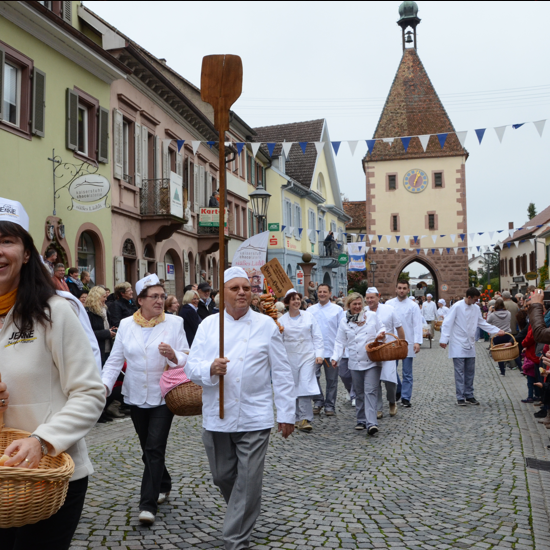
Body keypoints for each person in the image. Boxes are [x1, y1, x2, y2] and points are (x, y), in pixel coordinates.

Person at [0, 198, 105, 549]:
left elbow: (90, 393)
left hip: (49, 478)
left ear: (27, 253)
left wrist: (42, 439)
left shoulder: (54, 312)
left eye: (6, 241)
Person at [185, 267, 295, 550]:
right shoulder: (209, 325)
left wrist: (286, 414)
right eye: (235, 288)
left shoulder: (266, 325)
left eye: (246, 287)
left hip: (254, 415)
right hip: (217, 413)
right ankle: (243, 509)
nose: (242, 292)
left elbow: (281, 372)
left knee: (247, 480)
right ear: (223, 295)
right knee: (222, 476)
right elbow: (191, 366)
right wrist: (210, 368)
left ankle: (235, 539)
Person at [102, 274, 189, 525]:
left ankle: (147, 505)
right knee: (147, 448)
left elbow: (187, 356)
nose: (160, 301)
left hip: (164, 395)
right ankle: (164, 482)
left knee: (154, 447)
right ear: (140, 300)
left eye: (162, 296)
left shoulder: (175, 323)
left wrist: (174, 355)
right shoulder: (127, 325)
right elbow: (115, 360)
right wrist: (104, 387)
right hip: (136, 396)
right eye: (154, 296)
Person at [331, 293, 385, 435]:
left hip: (372, 360)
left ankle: (371, 423)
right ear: (348, 306)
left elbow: (382, 328)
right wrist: (335, 357)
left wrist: (380, 335)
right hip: (354, 361)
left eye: (359, 304)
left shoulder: (371, 316)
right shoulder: (344, 322)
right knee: (360, 393)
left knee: (370, 391)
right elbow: (340, 341)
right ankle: (361, 419)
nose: (357, 307)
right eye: (354, 304)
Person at [440, 287, 504, 406]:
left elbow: (482, 323)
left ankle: (469, 394)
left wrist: (496, 330)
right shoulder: (457, 306)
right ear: (469, 297)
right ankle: (460, 396)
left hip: (470, 342)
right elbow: (447, 322)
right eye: (475, 299)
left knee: (470, 371)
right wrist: (444, 339)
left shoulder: (475, 308)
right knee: (459, 372)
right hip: (458, 342)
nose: (476, 301)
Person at [279, 289, 324, 433]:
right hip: (289, 356)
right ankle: (296, 416)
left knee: (305, 383)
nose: (296, 302)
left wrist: (319, 354)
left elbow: (317, 336)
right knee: (293, 386)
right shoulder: (281, 320)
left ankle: (305, 418)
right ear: (287, 302)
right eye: (293, 299)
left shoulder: (308, 316)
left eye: (298, 299)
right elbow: (278, 341)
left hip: (307, 355)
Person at [365, 287, 405, 419]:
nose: (370, 300)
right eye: (368, 297)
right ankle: (378, 408)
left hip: (388, 351)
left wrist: (402, 344)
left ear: (378, 297)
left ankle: (392, 401)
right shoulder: (363, 311)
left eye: (372, 297)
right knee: (374, 381)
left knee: (390, 380)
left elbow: (399, 327)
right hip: (372, 351)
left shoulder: (389, 309)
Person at [309, 283, 345, 416]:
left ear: (330, 293)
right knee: (313, 377)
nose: (322, 294)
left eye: (325, 292)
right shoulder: (311, 310)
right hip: (315, 352)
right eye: (320, 292)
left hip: (331, 351)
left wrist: (340, 350)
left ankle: (330, 405)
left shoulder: (337, 310)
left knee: (332, 380)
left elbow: (341, 331)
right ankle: (318, 401)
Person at [386, 280, 423, 408]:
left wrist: (417, 342)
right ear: (396, 289)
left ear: (408, 290)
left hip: (408, 342)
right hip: (392, 342)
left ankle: (406, 397)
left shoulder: (413, 306)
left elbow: (417, 325)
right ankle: (398, 388)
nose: (402, 290)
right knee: (391, 369)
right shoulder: (388, 304)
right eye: (400, 288)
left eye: (404, 288)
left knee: (407, 372)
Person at [487, 298, 517, 375]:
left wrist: (490, 311)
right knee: (512, 351)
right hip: (507, 334)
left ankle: (502, 371)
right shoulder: (508, 313)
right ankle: (519, 366)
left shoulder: (493, 315)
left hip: (497, 335)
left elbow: (488, 321)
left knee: (499, 353)